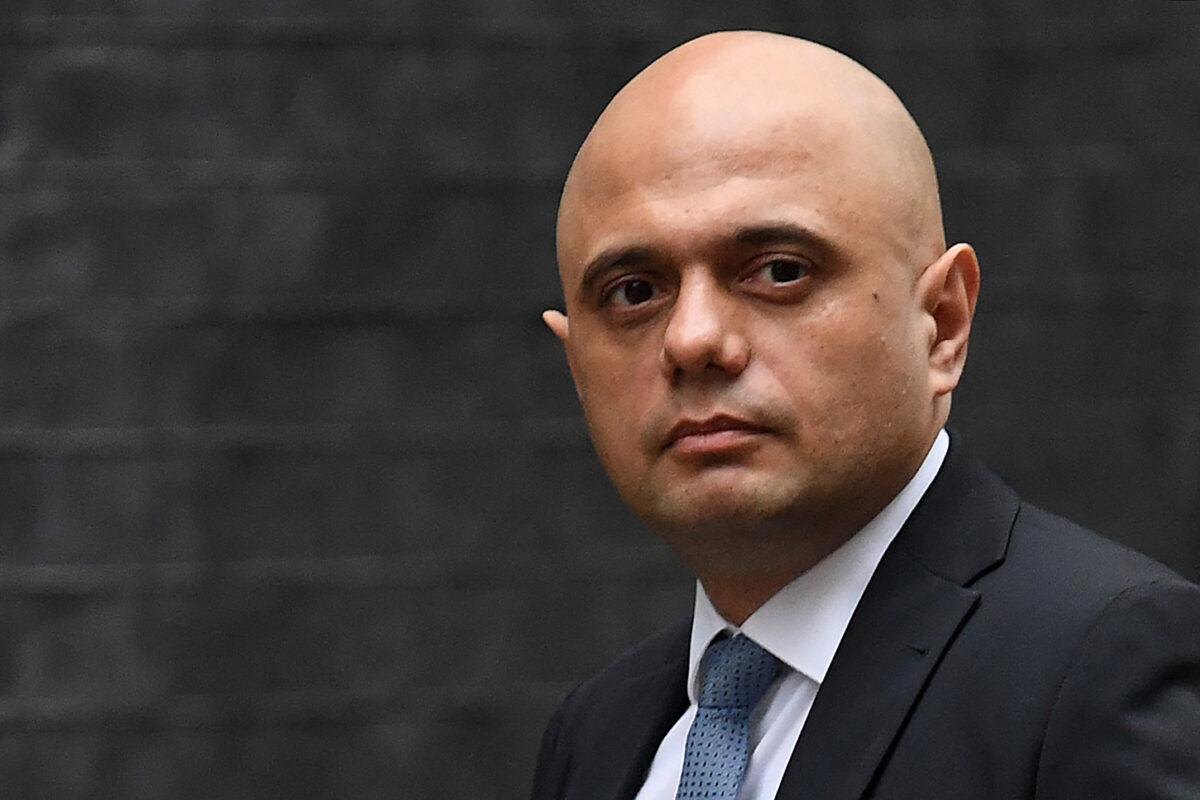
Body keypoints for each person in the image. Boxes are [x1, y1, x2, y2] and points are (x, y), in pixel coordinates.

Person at [531, 30, 1200, 800]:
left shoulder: (1098, 673)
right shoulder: (596, 735)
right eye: (635, 292)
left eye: (780, 271)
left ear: (943, 323)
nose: (692, 340)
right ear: (577, 360)